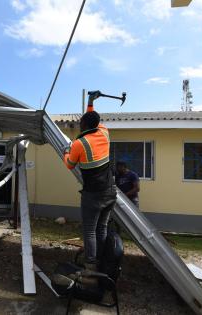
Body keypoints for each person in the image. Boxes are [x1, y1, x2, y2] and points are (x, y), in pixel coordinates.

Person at [63, 101, 117, 273]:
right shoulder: (104, 132)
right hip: (110, 192)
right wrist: (91, 104)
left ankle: (90, 265)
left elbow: (70, 165)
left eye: (81, 123)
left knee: (89, 231)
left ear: (85, 125)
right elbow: (95, 118)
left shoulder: (80, 144)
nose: (79, 125)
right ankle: (100, 260)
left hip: (93, 195)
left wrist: (66, 152)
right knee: (102, 228)